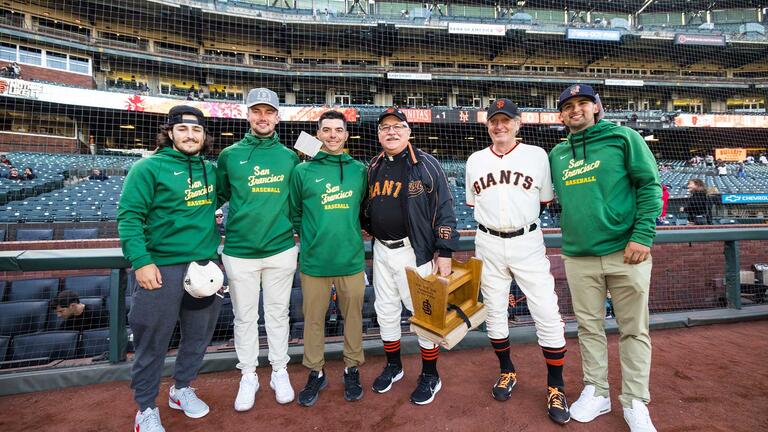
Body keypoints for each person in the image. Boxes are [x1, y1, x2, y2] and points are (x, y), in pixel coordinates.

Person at [549, 84, 662, 432]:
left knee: (634, 330)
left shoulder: (624, 138)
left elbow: (650, 185)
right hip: (579, 256)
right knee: (589, 328)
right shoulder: (557, 154)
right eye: (568, 106)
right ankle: (597, 392)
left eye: (583, 103)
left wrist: (642, 235)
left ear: (597, 107)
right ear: (561, 115)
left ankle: (635, 402)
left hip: (626, 252)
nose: (576, 110)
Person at [118, 105, 223, 432]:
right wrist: (141, 261)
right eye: (183, 129)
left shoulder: (211, 170)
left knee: (198, 336)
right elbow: (129, 217)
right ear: (170, 132)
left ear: (204, 136)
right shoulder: (148, 168)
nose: (190, 135)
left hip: (204, 267)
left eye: (196, 130)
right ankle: (146, 408)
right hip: (160, 268)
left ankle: (181, 388)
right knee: (153, 341)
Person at [465, 99, 569, 424]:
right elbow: (473, 202)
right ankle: (507, 370)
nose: (500, 126)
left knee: (547, 312)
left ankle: (556, 386)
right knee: (494, 312)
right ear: (487, 126)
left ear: (518, 123)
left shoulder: (537, 155)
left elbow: (545, 199)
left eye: (505, 120)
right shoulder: (474, 160)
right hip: (487, 241)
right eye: (494, 121)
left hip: (527, 240)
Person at [361, 107, 459, 405]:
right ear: (378, 135)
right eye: (385, 127)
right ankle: (394, 366)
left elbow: (445, 207)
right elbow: (366, 206)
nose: (391, 131)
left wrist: (444, 250)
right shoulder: (374, 165)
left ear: (408, 132)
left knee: (425, 316)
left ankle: (431, 374)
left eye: (397, 126)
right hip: (382, 250)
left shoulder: (426, 163)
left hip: (413, 251)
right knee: (386, 311)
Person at [216, 87, 300, 411]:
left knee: (278, 315)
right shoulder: (229, 155)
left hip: (280, 248)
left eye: (269, 112)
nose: (262, 118)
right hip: (239, 251)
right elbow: (220, 194)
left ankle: (280, 370)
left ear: (278, 117)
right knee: (244, 317)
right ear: (247, 114)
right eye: (256, 111)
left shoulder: (290, 156)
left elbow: (296, 201)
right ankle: (248, 374)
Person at [289, 110, 368, 406]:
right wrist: (311, 237)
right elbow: (295, 212)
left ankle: (351, 368)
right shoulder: (302, 171)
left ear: (346, 135)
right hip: (314, 262)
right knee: (313, 321)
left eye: (338, 130)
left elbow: (362, 209)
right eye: (327, 130)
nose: (333, 135)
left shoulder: (359, 170)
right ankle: (316, 372)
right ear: (318, 134)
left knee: (354, 318)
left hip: (350, 259)